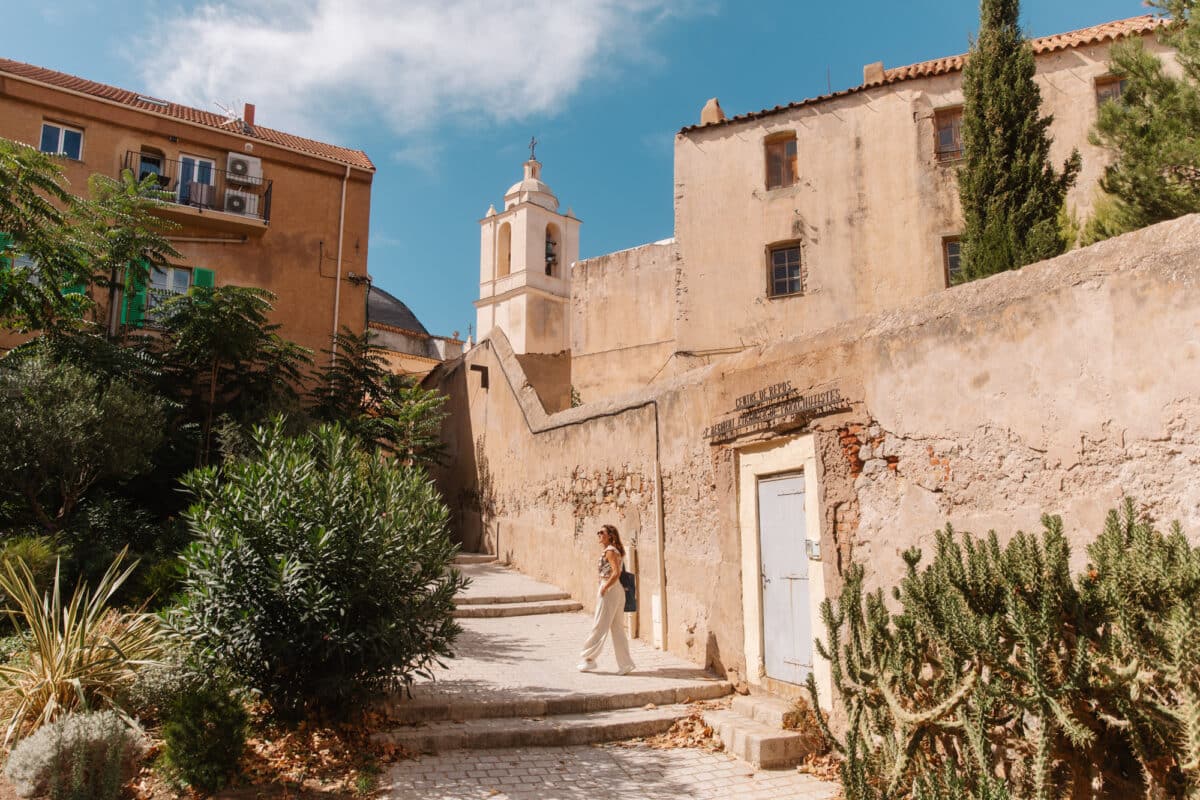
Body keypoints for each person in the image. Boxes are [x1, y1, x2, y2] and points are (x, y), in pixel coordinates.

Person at [577, 524, 636, 675]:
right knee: (617, 629)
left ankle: (589, 659)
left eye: (602, 532)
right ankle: (625, 664)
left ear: (610, 535)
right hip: (616, 591)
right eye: (598, 532)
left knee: (599, 625)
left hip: (610, 590)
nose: (599, 534)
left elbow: (616, 573)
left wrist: (605, 587)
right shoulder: (614, 551)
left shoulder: (610, 551)